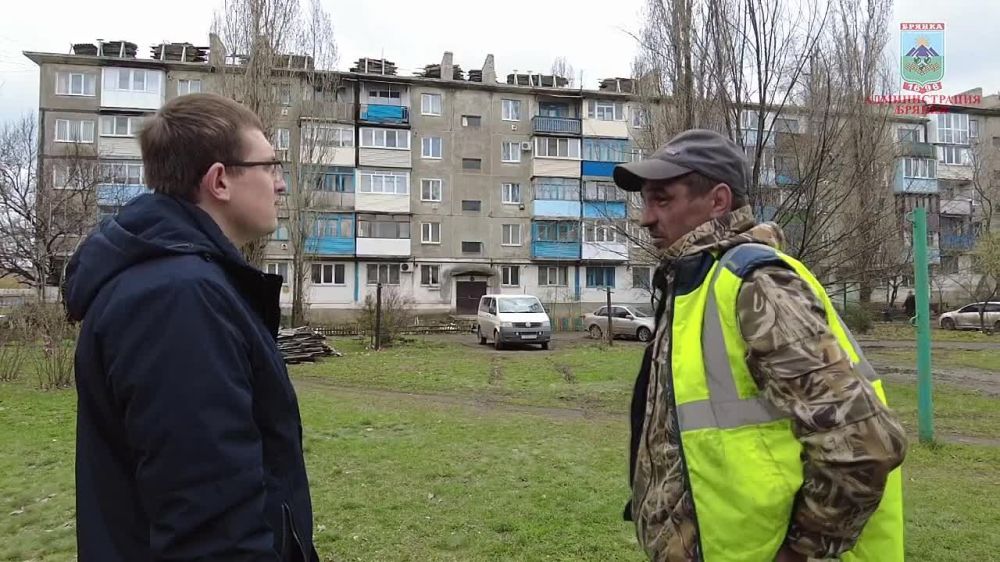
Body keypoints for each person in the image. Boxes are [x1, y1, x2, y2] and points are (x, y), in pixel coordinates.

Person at [613, 129, 908, 562]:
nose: (646, 218)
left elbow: (863, 444)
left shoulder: (757, 285)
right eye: (645, 201)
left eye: (662, 200)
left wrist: (801, 552)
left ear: (718, 201)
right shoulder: (696, 282)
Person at [63, 93, 319, 561]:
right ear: (220, 180)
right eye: (270, 166)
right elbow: (210, 525)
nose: (281, 184)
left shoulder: (179, 281)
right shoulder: (177, 299)